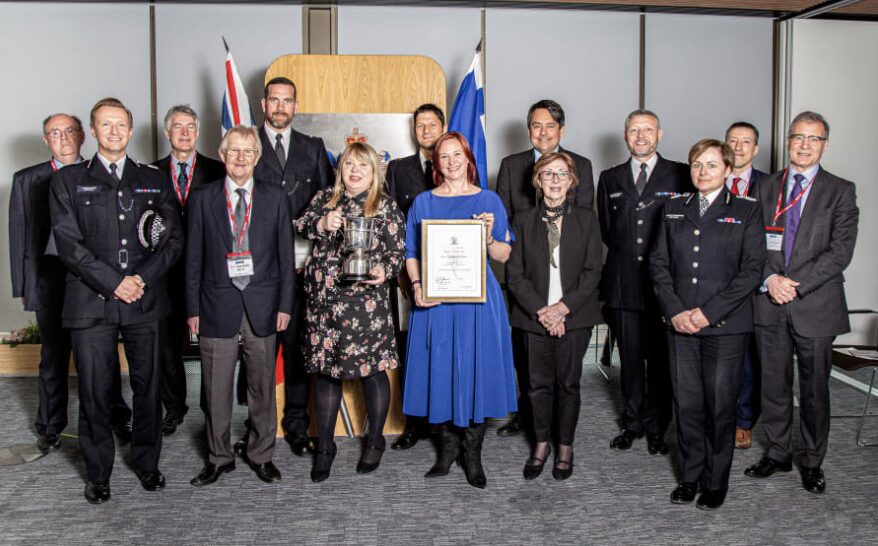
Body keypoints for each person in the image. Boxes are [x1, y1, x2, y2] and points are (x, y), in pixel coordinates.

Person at [50, 97, 183, 504]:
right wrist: (115, 283)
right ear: (92, 131)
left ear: (130, 130)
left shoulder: (154, 179)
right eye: (105, 125)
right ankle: (98, 472)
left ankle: (147, 463)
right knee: (94, 390)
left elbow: (173, 239)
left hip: (145, 298)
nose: (113, 131)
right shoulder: (69, 181)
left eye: (120, 125)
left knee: (148, 386)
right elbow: (69, 246)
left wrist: (140, 278)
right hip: (91, 302)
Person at [745, 111, 859, 495]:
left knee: (814, 389)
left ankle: (811, 460)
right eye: (799, 137)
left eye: (814, 139)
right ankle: (777, 453)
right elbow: (749, 243)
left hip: (815, 304)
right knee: (773, 384)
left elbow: (840, 251)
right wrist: (769, 279)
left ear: (824, 145)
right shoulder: (766, 187)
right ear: (788, 141)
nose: (805, 145)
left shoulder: (841, 190)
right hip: (769, 300)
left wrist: (794, 284)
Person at [650, 139, 766, 510]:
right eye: (697, 164)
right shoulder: (673, 208)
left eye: (712, 165)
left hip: (725, 327)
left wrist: (708, 313)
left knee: (719, 407)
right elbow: (658, 264)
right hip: (680, 324)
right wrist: (677, 311)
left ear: (728, 171)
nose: (702, 172)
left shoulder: (747, 211)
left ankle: (716, 482)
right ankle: (690, 476)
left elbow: (750, 272)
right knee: (687, 405)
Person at [9, 113, 132, 453]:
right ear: (46, 139)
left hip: (93, 279)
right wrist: (25, 287)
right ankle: (50, 424)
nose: (62, 138)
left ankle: (117, 414)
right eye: (54, 133)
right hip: (49, 280)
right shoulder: (27, 179)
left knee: (103, 354)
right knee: (53, 355)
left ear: (83, 135)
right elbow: (19, 235)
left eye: (69, 131)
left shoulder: (103, 171)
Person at [403, 132, 517, 489]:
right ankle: (447, 450)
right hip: (436, 302)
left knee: (474, 371)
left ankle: (473, 455)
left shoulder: (489, 200)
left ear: (468, 159)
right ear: (436, 163)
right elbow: (411, 254)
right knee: (440, 372)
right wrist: (418, 288)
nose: (451, 161)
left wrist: (486, 237)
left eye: (457, 154)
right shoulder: (423, 202)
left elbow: (504, 254)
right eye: (443, 156)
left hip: (478, 303)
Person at [185, 125, 294, 487]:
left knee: (262, 387)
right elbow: (192, 259)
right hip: (216, 304)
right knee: (216, 389)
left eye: (249, 151)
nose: (241, 158)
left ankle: (261, 454)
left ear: (257, 157)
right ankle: (218, 458)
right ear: (222, 153)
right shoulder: (201, 198)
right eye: (235, 151)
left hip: (263, 305)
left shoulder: (276, 197)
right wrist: (192, 309)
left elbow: (284, 258)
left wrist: (285, 305)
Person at [235, 76, 333, 457]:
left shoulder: (313, 147)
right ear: (263, 104)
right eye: (274, 100)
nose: (280, 107)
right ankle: (254, 426)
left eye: (287, 101)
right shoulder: (247, 144)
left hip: (301, 266)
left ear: (295, 105)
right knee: (255, 350)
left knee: (295, 351)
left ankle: (295, 425)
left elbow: (326, 200)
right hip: (256, 270)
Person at [296, 142, 406, 482]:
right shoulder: (323, 200)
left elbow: (397, 251)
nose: (354, 171)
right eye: (349, 165)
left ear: (374, 172)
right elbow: (298, 225)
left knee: (372, 373)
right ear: (340, 169)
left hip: (364, 307)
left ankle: (374, 441)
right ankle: (325, 446)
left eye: (362, 166)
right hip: (323, 306)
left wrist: (383, 271)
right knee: (326, 373)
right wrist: (321, 223)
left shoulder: (384, 206)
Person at [496, 99, 595, 438]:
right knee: (527, 363)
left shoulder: (581, 165)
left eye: (549, 125)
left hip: (567, 285)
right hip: (527, 278)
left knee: (566, 375)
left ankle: (558, 428)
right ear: (529, 130)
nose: (543, 132)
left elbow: (583, 233)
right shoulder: (511, 165)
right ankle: (529, 419)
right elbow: (505, 224)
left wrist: (561, 308)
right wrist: (539, 303)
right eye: (536, 126)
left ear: (561, 130)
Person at [597, 109, 691, 454]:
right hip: (623, 286)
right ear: (625, 136)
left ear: (659, 135)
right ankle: (633, 422)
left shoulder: (680, 174)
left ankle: (657, 428)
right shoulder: (610, 178)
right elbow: (608, 230)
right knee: (631, 361)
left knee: (662, 363)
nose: (640, 136)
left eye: (647, 130)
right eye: (634, 130)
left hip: (664, 288)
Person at [506, 152, 602, 481]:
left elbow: (592, 272)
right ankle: (541, 444)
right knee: (537, 386)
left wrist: (562, 308)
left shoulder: (587, 219)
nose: (555, 180)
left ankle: (565, 446)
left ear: (572, 180)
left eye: (562, 174)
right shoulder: (521, 219)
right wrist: (543, 311)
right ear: (538, 181)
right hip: (534, 317)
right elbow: (515, 275)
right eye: (548, 174)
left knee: (568, 384)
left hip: (575, 316)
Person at [152, 104, 226, 437]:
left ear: (197, 132)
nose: (184, 132)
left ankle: (211, 407)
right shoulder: (149, 173)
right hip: (164, 275)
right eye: (177, 127)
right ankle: (174, 406)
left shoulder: (218, 170)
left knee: (210, 345)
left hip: (207, 272)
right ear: (167, 133)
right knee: (167, 345)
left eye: (190, 127)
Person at [385, 103, 447, 451]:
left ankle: (444, 422)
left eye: (431, 123)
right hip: (411, 276)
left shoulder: (457, 164)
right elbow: (392, 223)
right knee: (412, 350)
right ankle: (415, 423)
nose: (425, 129)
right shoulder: (398, 169)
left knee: (444, 348)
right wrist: (404, 279)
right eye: (420, 125)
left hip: (452, 278)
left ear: (443, 126)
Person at [724, 121, 767, 450]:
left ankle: (743, 420)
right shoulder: (707, 179)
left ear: (755, 149)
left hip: (755, 286)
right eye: (732, 141)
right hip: (713, 285)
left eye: (745, 142)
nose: (738, 147)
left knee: (749, 361)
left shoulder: (771, 187)